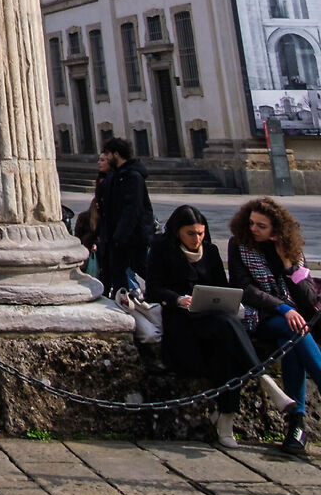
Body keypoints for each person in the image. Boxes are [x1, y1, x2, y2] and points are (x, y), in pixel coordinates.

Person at [146, 204, 286, 450]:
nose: (196, 239)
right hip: (183, 328)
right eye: (190, 233)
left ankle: (227, 420)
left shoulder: (209, 251)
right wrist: (178, 299)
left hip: (212, 322)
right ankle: (262, 379)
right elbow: (153, 288)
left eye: (200, 233)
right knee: (228, 330)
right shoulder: (162, 249)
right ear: (178, 231)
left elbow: (223, 287)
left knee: (227, 341)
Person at [229, 195, 321, 458]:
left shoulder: (291, 251)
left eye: (261, 226)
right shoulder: (239, 245)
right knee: (292, 330)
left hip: (292, 323)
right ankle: (297, 423)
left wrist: (288, 264)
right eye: (251, 223)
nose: (253, 230)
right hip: (260, 317)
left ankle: (296, 424)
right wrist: (284, 308)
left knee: (289, 342)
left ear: (276, 230)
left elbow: (308, 298)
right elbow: (244, 288)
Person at [95, 135, 155, 298]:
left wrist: (120, 235)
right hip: (114, 237)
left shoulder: (133, 176)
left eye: (107, 154)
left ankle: (160, 294)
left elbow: (133, 209)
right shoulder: (114, 176)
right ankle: (118, 300)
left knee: (143, 267)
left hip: (131, 237)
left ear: (115, 154)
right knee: (115, 273)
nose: (104, 158)